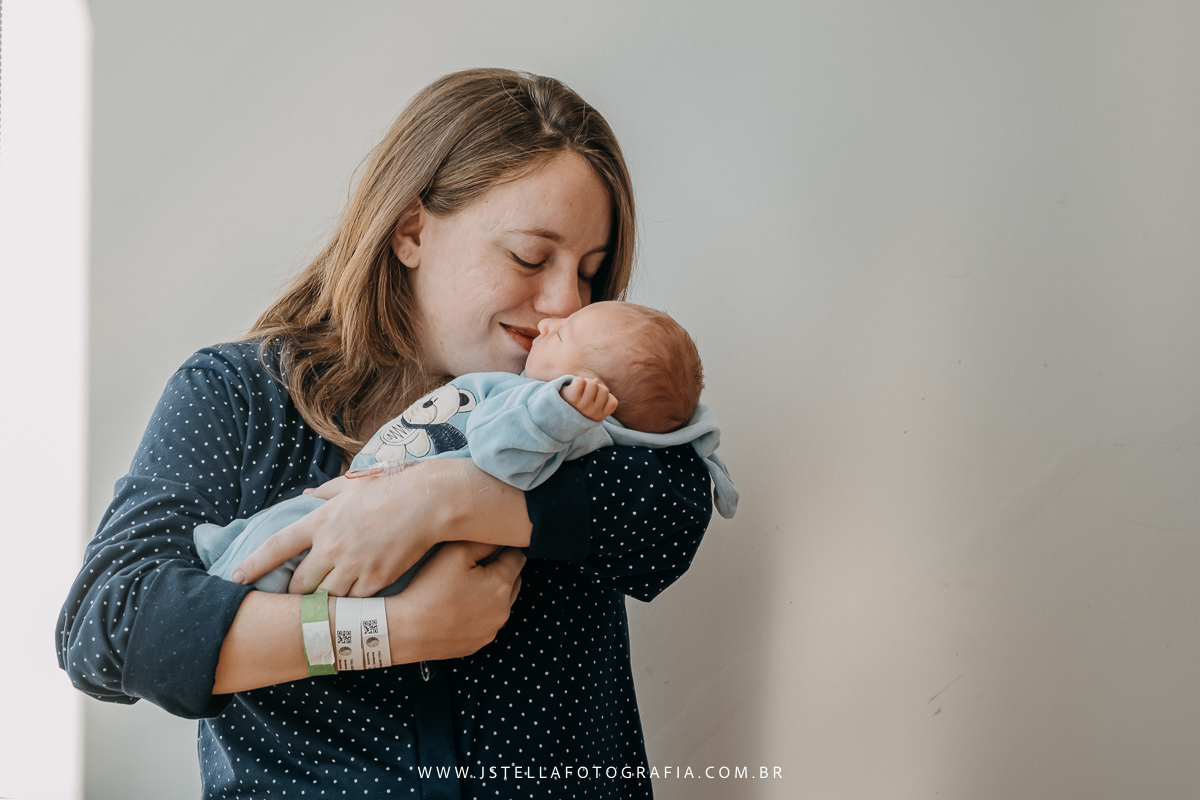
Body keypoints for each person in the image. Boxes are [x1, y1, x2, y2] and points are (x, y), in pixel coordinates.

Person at [57, 68, 718, 799]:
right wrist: (399, 627)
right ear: (411, 232)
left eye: (590, 274)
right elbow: (110, 630)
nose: (566, 299)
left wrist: (436, 498)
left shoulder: (593, 415)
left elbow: (668, 518)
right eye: (530, 256)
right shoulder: (241, 397)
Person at [197, 300, 738, 596]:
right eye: (528, 254)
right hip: (358, 493)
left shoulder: (546, 414)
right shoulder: (233, 383)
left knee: (290, 550)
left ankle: (229, 579)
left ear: (584, 388)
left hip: (391, 555)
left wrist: (557, 411)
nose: (554, 313)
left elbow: (499, 452)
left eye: (566, 334)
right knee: (286, 524)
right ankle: (229, 550)